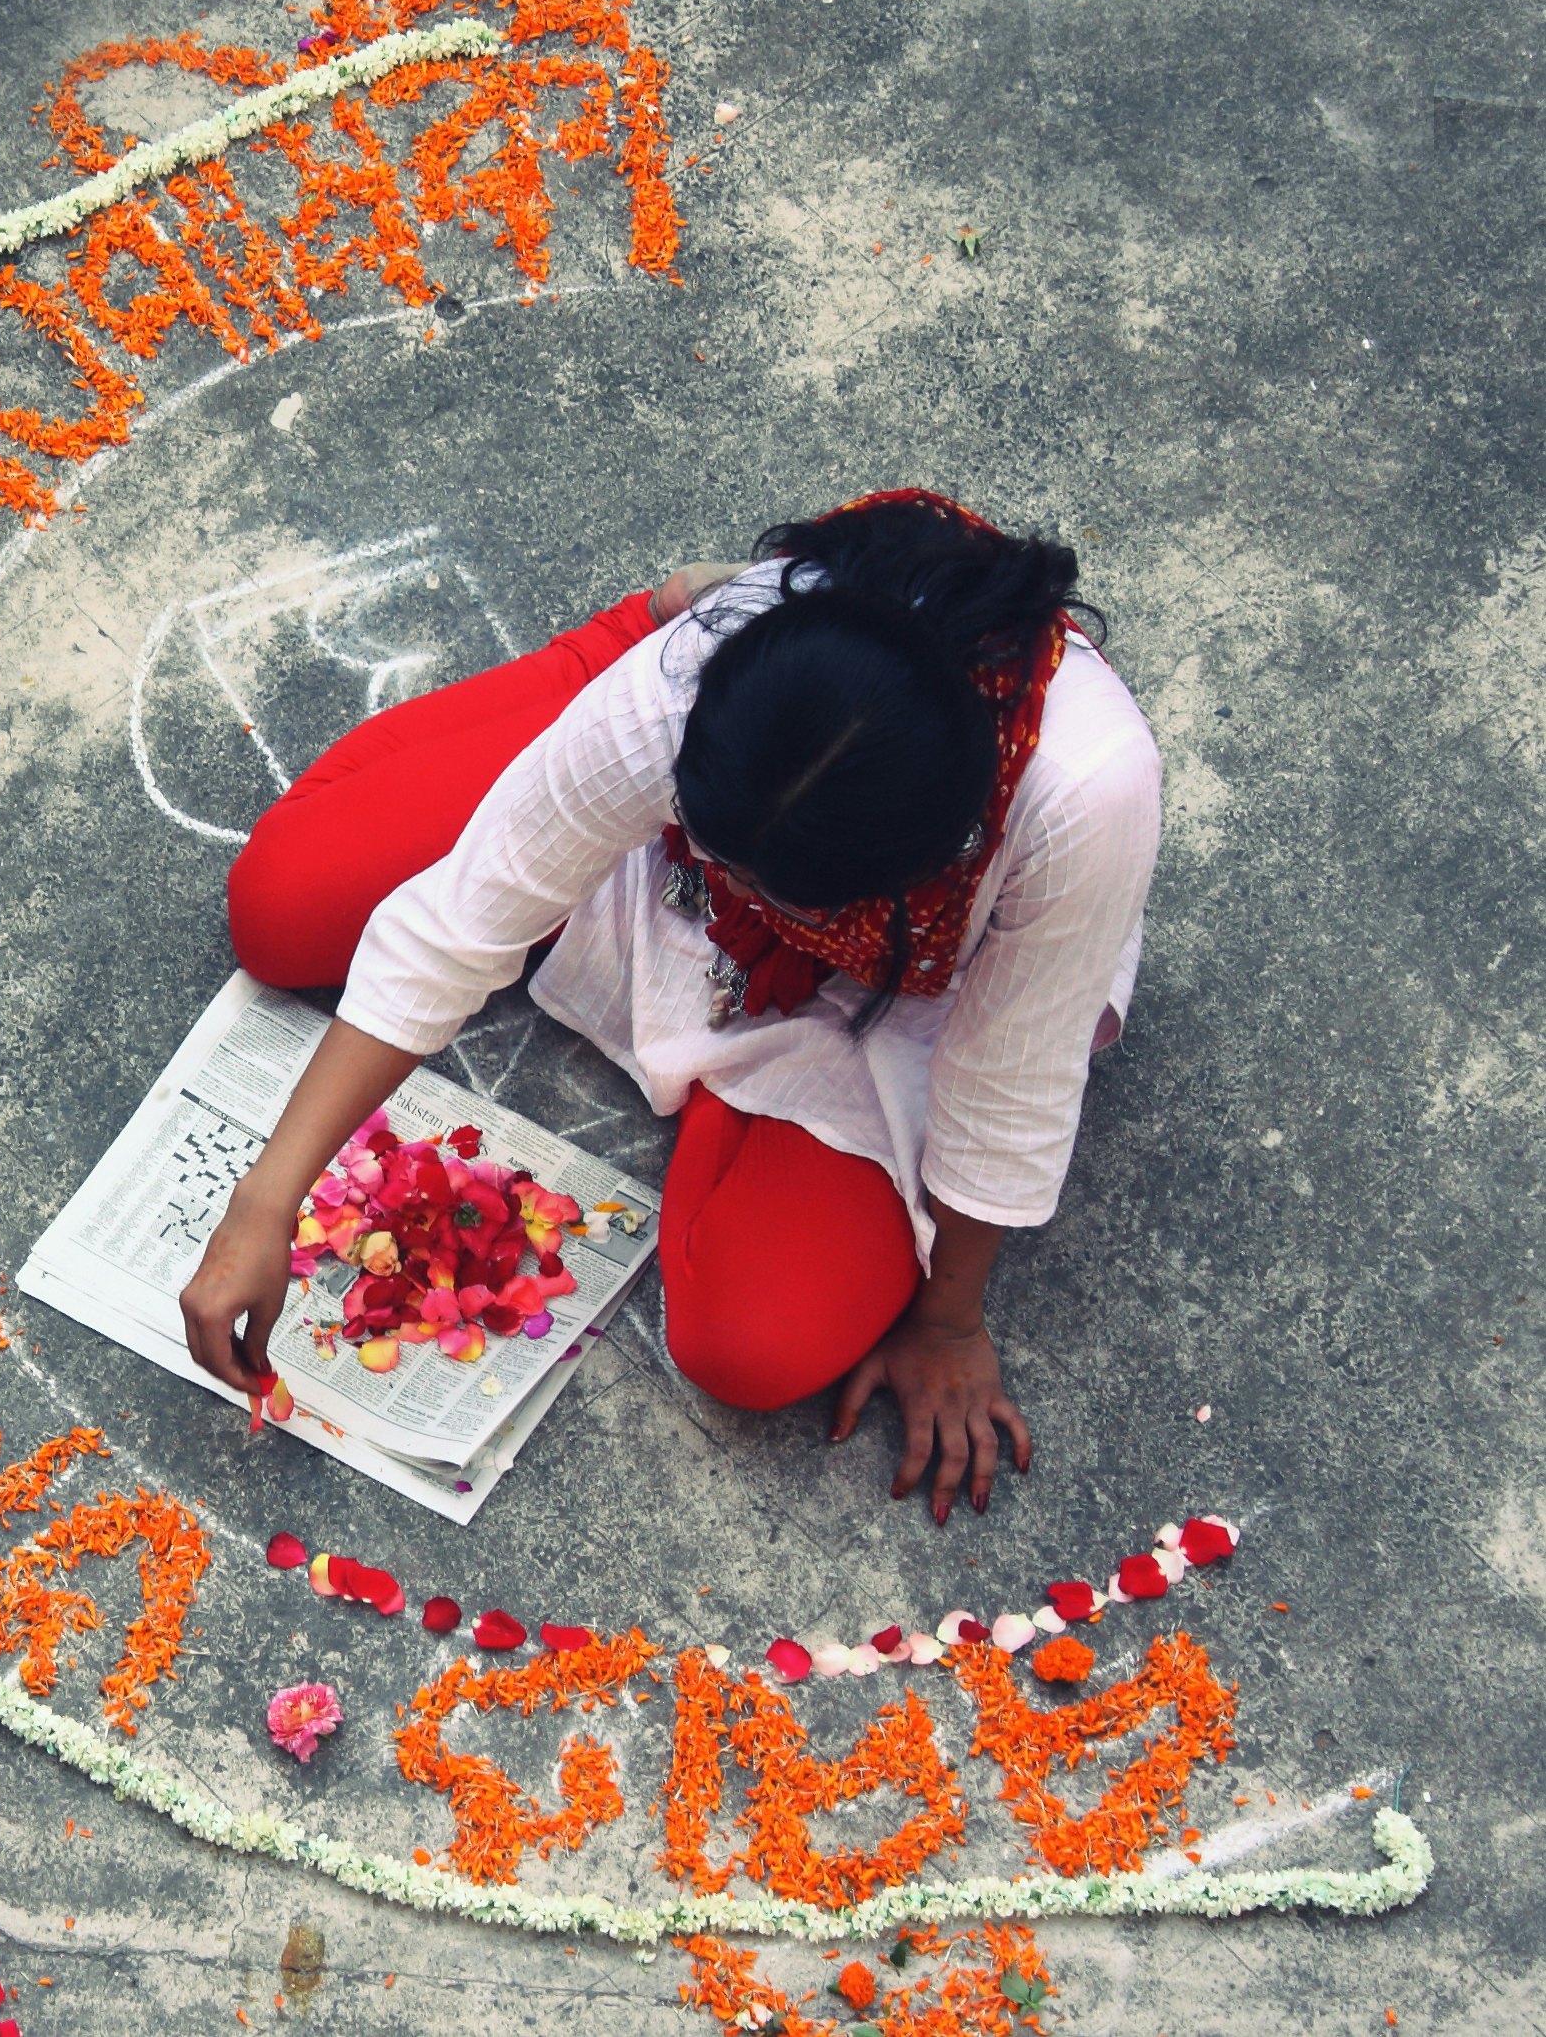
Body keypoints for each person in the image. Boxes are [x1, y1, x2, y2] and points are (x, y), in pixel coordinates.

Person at [177, 492, 1162, 1521]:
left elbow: (1010, 1086)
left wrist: (951, 1318)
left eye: (779, 895)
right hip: (678, 848)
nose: (749, 897)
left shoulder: (1085, 800)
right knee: (282, 912)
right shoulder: (708, 673)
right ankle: (621, 650)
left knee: (755, 1345)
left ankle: (735, 1073)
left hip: (902, 988)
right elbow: (462, 917)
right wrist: (267, 1196)